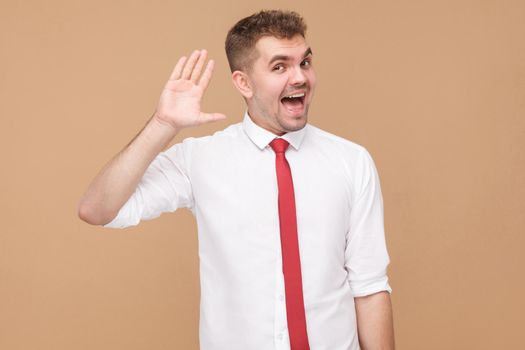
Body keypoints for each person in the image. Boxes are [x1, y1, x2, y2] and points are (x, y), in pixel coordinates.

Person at [78, 9, 395, 350]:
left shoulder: (352, 162)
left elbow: (370, 286)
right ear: (243, 82)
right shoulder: (200, 160)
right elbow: (98, 209)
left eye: (304, 62)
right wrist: (162, 124)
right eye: (279, 66)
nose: (300, 77)